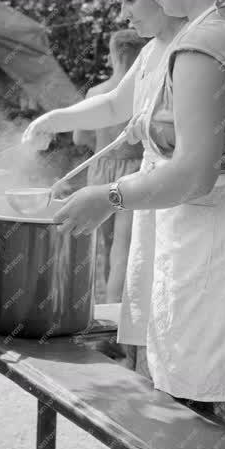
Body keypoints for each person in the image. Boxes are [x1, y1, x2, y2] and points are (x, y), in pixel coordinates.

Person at [54, 0, 225, 449]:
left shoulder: (203, 45)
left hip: (215, 256)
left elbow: (193, 174)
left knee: (211, 427)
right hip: (220, 245)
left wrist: (106, 198)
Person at [24, 0, 185, 376]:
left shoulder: (194, 47)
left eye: (129, 0)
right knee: (147, 311)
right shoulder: (151, 51)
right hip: (153, 202)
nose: (124, 13)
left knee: (174, 318)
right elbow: (115, 103)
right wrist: (53, 120)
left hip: (180, 203)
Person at [72, 29, 145, 302]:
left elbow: (80, 136)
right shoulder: (142, 91)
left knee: (104, 242)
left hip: (101, 169)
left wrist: (103, 143)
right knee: (124, 246)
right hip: (134, 169)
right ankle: (117, 311)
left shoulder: (96, 91)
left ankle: (103, 308)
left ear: (113, 54)